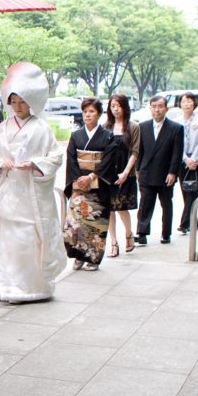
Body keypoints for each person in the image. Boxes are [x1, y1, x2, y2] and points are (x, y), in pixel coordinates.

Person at [0, 62, 67, 303]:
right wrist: (1, 163)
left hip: (31, 193)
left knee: (29, 241)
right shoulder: (1, 128)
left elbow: (55, 156)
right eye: (14, 102)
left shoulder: (41, 128)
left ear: (31, 101)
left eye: (22, 101)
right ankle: (7, 288)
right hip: (9, 190)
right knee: (8, 241)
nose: (18, 107)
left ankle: (33, 288)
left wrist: (35, 164)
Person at [63, 97, 120, 271]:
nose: (88, 115)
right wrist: (78, 179)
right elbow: (71, 159)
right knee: (76, 223)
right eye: (85, 111)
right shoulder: (76, 136)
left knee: (95, 223)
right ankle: (78, 256)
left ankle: (93, 259)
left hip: (98, 185)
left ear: (99, 114)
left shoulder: (108, 136)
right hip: (79, 184)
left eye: (92, 111)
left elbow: (109, 160)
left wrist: (92, 176)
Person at [135, 95, 184, 245]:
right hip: (146, 172)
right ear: (150, 108)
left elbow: (177, 153)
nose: (157, 109)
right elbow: (139, 151)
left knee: (166, 204)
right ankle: (142, 233)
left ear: (166, 109)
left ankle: (166, 233)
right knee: (145, 204)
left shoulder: (176, 128)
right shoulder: (142, 127)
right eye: (154, 106)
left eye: (160, 106)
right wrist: (137, 170)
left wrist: (173, 172)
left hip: (165, 174)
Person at [104, 93, 140, 256]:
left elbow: (135, 151)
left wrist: (126, 172)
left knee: (122, 208)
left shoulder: (133, 126)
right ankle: (113, 242)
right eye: (113, 106)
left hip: (126, 173)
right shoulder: (105, 127)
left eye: (119, 106)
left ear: (125, 107)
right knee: (109, 209)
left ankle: (128, 234)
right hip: (109, 175)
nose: (116, 109)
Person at [177, 91, 198, 234]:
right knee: (185, 191)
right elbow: (176, 143)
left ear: (194, 103)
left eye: (189, 101)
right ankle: (193, 222)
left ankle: (184, 223)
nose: (186, 104)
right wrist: (185, 158)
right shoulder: (176, 121)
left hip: (197, 160)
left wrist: (193, 159)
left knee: (193, 191)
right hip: (182, 160)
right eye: (183, 101)